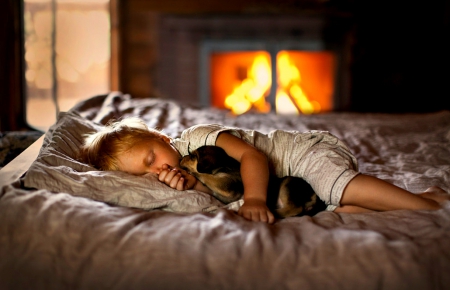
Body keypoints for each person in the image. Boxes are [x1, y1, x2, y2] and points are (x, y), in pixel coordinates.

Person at [80, 117, 449, 224]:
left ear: (160, 136)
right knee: (344, 212)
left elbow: (253, 160)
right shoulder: (182, 174)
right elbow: (222, 191)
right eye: (147, 172)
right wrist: (188, 184)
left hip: (303, 155)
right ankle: (421, 197)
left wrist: (255, 198)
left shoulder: (195, 138)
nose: (159, 167)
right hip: (294, 189)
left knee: (339, 188)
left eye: (151, 156)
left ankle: (432, 208)